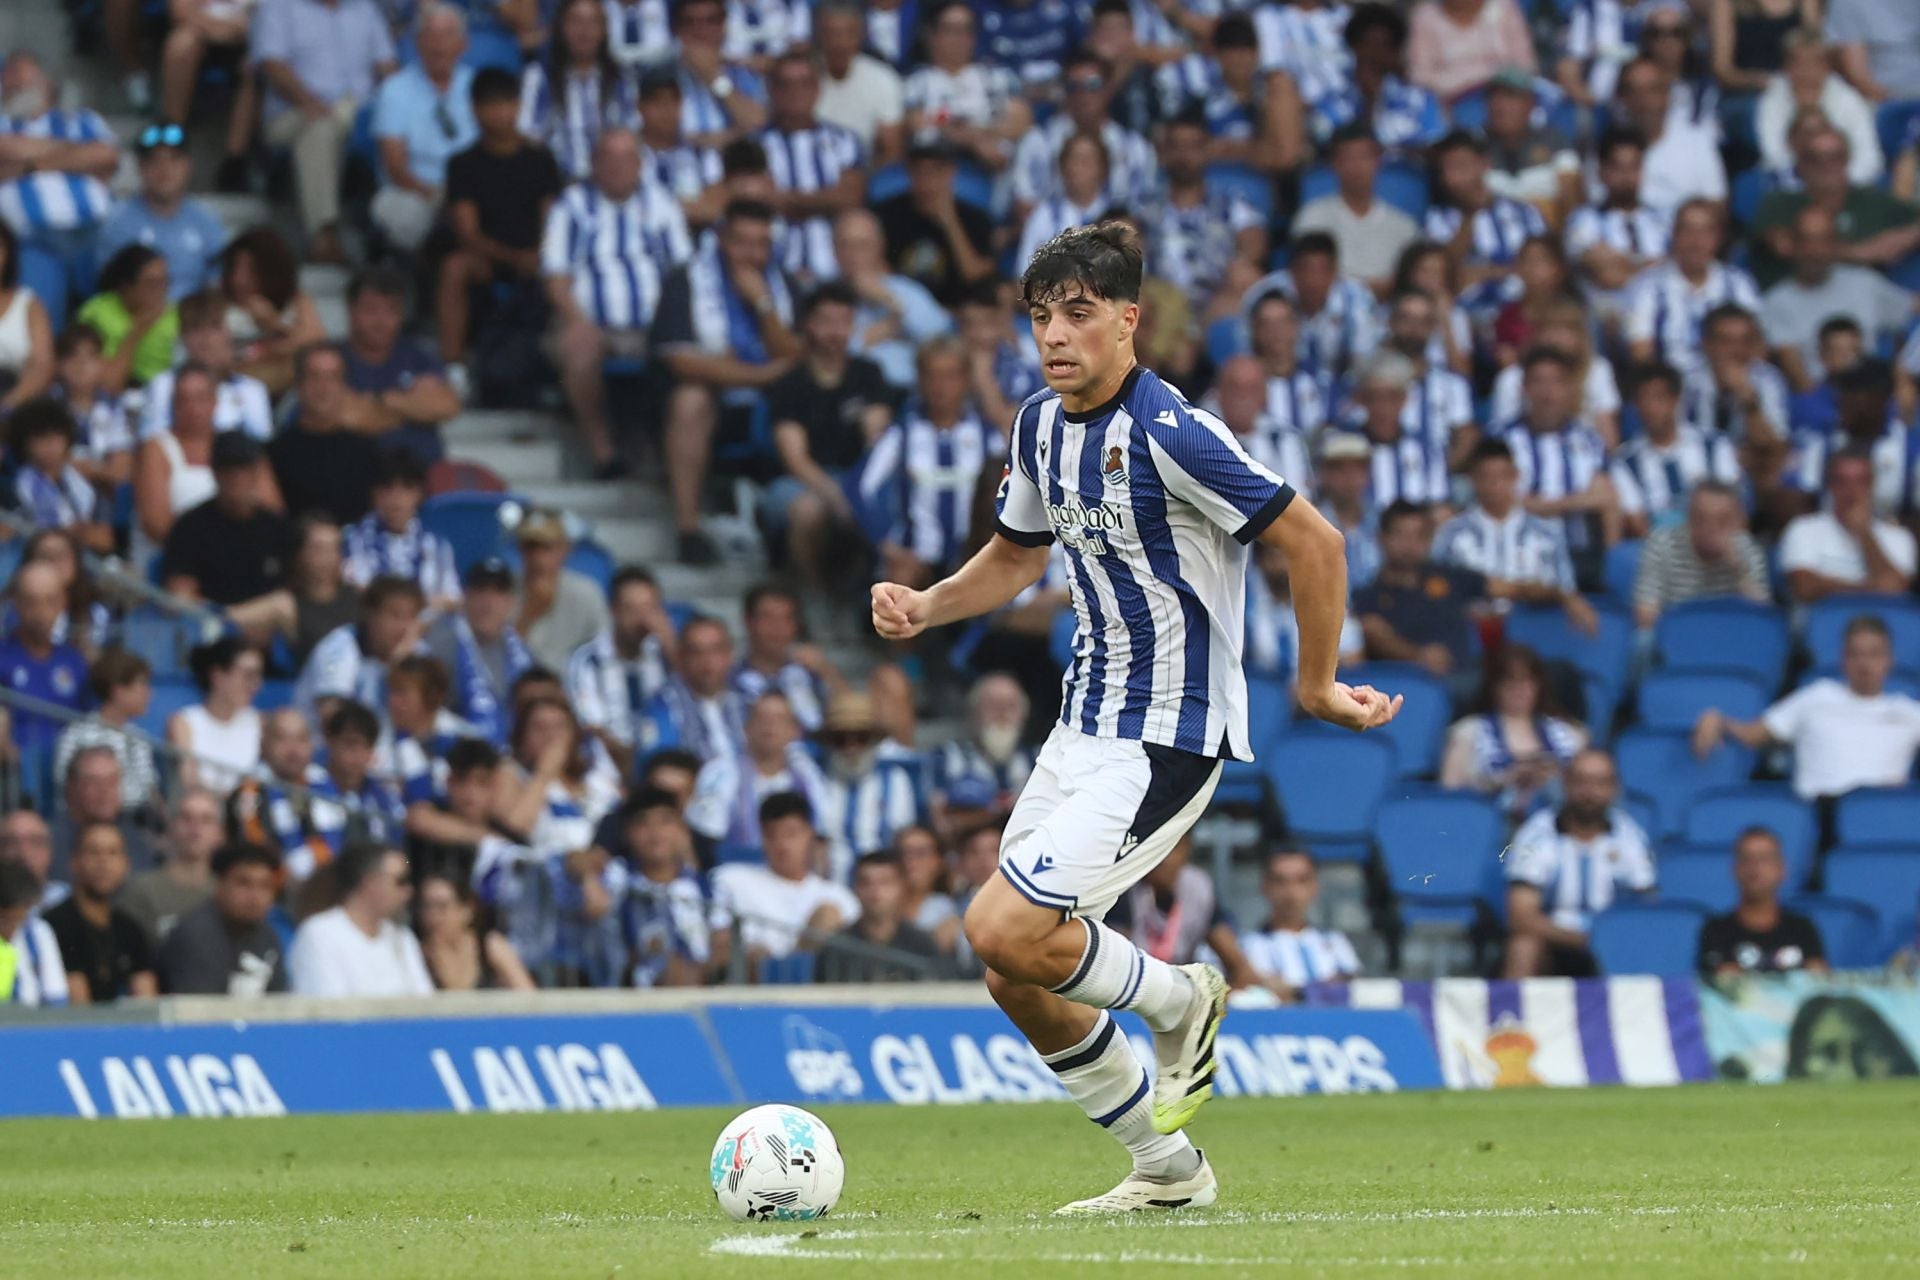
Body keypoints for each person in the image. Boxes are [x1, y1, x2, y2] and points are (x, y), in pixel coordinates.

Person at [871, 220, 1399, 1214]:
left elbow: (1317, 542)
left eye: (1077, 313)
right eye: (1041, 317)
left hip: (1170, 731)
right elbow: (1018, 552)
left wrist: (1318, 685)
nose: (1054, 335)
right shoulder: (1037, 424)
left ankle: (1180, 996)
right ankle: (1168, 1172)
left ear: (1128, 320)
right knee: (1013, 970)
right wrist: (930, 603)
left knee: (1000, 922)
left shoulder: (1173, 431)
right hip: (1082, 727)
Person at [652, 198, 800, 563]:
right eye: (742, 242)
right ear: (721, 239)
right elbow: (681, 360)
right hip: (714, 398)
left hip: (777, 400)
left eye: (761, 243)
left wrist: (763, 304)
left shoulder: (783, 283)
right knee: (690, 401)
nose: (752, 254)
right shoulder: (686, 279)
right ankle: (688, 529)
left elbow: (797, 358)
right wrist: (760, 374)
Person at [541, 128, 691, 479]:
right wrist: (579, 322)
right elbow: (556, 278)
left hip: (653, 325)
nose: (616, 166)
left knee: (688, 351)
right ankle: (603, 453)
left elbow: (682, 273)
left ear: (639, 164)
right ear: (593, 163)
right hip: (591, 322)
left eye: (625, 158)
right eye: (607, 158)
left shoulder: (662, 204)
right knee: (577, 346)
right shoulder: (572, 205)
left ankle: (666, 455)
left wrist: (672, 323)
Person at [1695, 615, 1920, 802]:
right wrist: (1718, 719)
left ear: (1889, 660)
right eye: (1856, 654)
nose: (1864, 664)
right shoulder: (1815, 696)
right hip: (1817, 814)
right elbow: (1753, 734)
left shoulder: (1909, 712)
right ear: (1843, 659)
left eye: (1874, 654)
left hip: (1880, 813)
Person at [438, 66, 564, 387]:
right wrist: (514, 258)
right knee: (455, 267)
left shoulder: (541, 159)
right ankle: (453, 367)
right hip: (489, 259)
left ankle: (560, 369)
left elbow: (553, 221)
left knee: (567, 271)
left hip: (537, 257)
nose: (501, 113)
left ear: (519, 106)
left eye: (507, 103)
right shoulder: (462, 164)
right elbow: (467, 232)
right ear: (475, 110)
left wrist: (539, 256)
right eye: (491, 105)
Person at [763, 281, 894, 587]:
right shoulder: (790, 384)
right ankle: (814, 595)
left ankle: (871, 592)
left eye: (843, 322)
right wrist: (837, 497)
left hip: (857, 475)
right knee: (809, 511)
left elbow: (878, 439)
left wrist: (860, 490)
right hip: (800, 482)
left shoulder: (868, 374)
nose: (835, 332)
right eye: (826, 322)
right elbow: (796, 460)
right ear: (808, 324)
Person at [251, 0, 397, 263]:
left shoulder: (364, 8)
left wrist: (398, 102)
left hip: (358, 111)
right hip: (293, 112)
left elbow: (387, 65)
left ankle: (386, 234)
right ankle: (324, 234)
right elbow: (272, 65)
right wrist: (308, 102)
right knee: (319, 129)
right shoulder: (278, 6)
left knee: (388, 125)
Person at [1503, 748, 1655, 978]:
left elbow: (1646, 904)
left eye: (1600, 783)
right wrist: (1583, 940)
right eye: (1581, 781)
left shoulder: (1630, 836)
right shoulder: (1535, 835)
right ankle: (1513, 1003)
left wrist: (1610, 940)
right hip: (1554, 942)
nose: (1590, 792)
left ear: (1614, 788)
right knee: (1523, 947)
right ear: (1565, 783)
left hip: (1615, 944)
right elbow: (1521, 916)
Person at [1433, 440, 1592, 632]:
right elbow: (1435, 585)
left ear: (1515, 476)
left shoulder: (1547, 533)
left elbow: (1567, 589)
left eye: (1502, 476)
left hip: (1535, 629)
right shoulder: (1451, 533)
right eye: (1485, 477)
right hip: (1471, 629)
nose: (1494, 485)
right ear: (1473, 480)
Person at [1761, 207, 1917, 393]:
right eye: (1807, 241)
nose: (1815, 251)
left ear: (1836, 244)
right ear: (1793, 244)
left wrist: (1902, 380)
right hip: (1820, 399)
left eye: (1824, 241)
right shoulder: (1776, 302)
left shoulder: (1865, 283)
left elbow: (1911, 310)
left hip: (1875, 395)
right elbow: (1799, 379)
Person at [1751, 126, 1920, 289]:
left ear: (1847, 159)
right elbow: (1786, 247)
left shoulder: (1872, 201)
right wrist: (1862, 253)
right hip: (1795, 299)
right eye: (1815, 158)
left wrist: (1898, 241)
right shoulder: (1780, 203)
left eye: (1836, 156)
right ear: (1800, 163)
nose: (1827, 165)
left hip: (1865, 300)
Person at [369, 5, 478, 253]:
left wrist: (464, 199)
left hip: (472, 192)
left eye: (447, 35)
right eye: (430, 35)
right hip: (416, 191)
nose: (438, 44)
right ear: (417, 43)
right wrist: (437, 197)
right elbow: (395, 167)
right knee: (400, 213)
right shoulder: (395, 89)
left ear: (464, 44)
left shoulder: (476, 86)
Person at [707, 792, 857, 971]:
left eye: (790, 834)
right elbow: (717, 944)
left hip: (818, 982)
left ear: (810, 835)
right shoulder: (732, 879)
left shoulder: (839, 896)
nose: (782, 845)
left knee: (827, 915)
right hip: (753, 978)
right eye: (772, 835)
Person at [1353, 501, 1483, 703]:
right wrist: (1419, 656)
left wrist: (1537, 589)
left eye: (1419, 536)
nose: (1410, 544)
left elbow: (1502, 587)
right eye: (1401, 535)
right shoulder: (1367, 596)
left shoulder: (1451, 577)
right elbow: (1373, 633)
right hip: (1404, 688)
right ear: (1381, 538)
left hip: (1466, 682)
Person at [1441, 644, 1587, 819]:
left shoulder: (1572, 735)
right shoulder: (1466, 733)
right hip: (1491, 822)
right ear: (1494, 686)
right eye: (1509, 681)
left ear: (1539, 685)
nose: (1518, 689)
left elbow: (1589, 785)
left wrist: (1552, 776)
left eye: (1526, 681)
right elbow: (1449, 796)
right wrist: (1503, 779)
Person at [160, 431, 293, 609]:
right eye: (228, 469)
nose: (236, 477)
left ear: (255, 473)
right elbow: (181, 593)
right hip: (211, 619)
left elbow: (294, 586)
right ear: (215, 473)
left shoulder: (277, 527)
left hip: (268, 619)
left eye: (243, 469)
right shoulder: (190, 527)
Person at [96, 122, 227, 301]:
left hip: (193, 315)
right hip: (138, 315)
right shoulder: (116, 223)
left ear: (188, 165)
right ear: (140, 167)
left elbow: (218, 283)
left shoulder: (206, 222)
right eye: (154, 160)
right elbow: (109, 291)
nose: (165, 168)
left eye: (174, 158)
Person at [1625, 198, 1759, 369]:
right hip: (1672, 380)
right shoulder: (1647, 286)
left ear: (1718, 238)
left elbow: (1756, 345)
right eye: (1688, 231)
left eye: (1706, 232)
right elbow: (1641, 354)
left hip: (1730, 376)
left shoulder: (1739, 284)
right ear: (1674, 235)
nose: (1696, 242)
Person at [1612, 363, 1741, 539]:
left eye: (1658, 398)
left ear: (1675, 400)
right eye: (1643, 399)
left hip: (1717, 542)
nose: (1650, 408)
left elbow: (1733, 507)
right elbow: (1637, 523)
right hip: (1660, 548)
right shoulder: (1625, 461)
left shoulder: (1714, 445)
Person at [566, 566, 675, 776]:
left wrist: (670, 642)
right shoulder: (588, 661)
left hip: (659, 765)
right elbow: (592, 728)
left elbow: (690, 701)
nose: (642, 619)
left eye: (649, 609)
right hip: (604, 769)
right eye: (631, 609)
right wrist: (634, 764)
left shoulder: (663, 656)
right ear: (614, 610)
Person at [288, 843, 434, 997]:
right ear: (370, 882)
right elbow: (327, 1005)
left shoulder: (403, 937)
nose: (409, 891)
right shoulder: (319, 934)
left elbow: (425, 1000)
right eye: (401, 881)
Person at [1777, 449, 1917, 603]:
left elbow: (1897, 591)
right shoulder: (1803, 529)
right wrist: (1873, 588)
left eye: (1860, 481)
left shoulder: (1899, 537)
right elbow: (1806, 587)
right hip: (1825, 617)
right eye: (1842, 481)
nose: (1851, 490)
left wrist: (1864, 534)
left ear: (1872, 485)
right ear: (1830, 486)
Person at [1292, 125, 1420, 293]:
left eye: (1364, 157)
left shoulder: (1404, 226)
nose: (1357, 166)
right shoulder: (1311, 218)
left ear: (1378, 161)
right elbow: (1310, 275)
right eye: (1348, 158)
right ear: (1335, 164)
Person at [140, 289, 275, 444]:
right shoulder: (163, 385)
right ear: (183, 338)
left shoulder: (252, 390)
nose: (205, 339)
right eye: (195, 328)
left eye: (214, 327)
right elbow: (153, 441)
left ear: (228, 334)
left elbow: (261, 445)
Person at [874, 139, 997, 308]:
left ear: (951, 172)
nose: (927, 180)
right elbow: (875, 271)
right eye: (919, 171)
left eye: (936, 170)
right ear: (909, 173)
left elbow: (978, 279)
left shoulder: (975, 219)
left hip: (959, 312)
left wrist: (950, 223)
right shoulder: (886, 215)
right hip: (901, 306)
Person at [42, 821, 157, 1003]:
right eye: (93, 852)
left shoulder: (131, 928)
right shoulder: (52, 926)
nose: (103, 862)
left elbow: (146, 1001)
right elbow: (78, 1008)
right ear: (74, 862)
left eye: (112, 853)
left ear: (126, 864)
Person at [1631, 480, 1771, 629]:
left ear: (1738, 522)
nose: (1710, 528)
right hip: (1676, 632)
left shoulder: (1746, 549)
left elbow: (1761, 616)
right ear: (1688, 518)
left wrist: (1739, 570)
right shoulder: (1662, 545)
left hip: (1729, 631)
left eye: (1722, 521)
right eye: (1700, 519)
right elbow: (1644, 614)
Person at [269, 344, 383, 524]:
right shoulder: (274, 454)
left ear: (344, 386)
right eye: (314, 377)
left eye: (332, 377)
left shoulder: (369, 452)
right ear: (298, 385)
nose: (323, 387)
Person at [155, 842, 287, 996]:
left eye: (265, 885)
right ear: (219, 883)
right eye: (244, 883)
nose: (255, 896)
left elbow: (278, 1001)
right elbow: (200, 1007)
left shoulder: (268, 936)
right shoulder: (196, 934)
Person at [1697, 826, 1829, 980]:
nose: (1755, 868)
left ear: (1781, 869)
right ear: (1735, 869)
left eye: (1764, 858)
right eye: (1747, 858)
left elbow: (1818, 981)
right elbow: (1717, 987)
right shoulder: (1716, 931)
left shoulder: (1803, 929)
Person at [425, 558, 533, 745]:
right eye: (480, 590)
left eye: (499, 592)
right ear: (465, 597)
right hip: (456, 750)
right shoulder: (441, 644)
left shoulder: (522, 653)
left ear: (510, 602)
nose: (488, 602)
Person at [1756, 28, 1882, 185]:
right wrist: (1806, 183)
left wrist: (1836, 184)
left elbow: (1868, 156)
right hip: (1789, 184)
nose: (1806, 71)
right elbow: (1774, 152)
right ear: (1786, 66)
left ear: (1827, 66)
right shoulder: (1773, 97)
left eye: (1814, 63)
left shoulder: (1848, 100)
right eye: (1798, 63)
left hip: (1845, 184)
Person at [342, 447, 462, 611]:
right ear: (374, 493)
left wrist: (415, 613)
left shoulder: (437, 544)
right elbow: (353, 592)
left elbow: (454, 599)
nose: (396, 497)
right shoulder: (351, 541)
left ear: (420, 494)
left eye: (407, 487)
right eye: (388, 487)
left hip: (427, 625)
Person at [615, 787, 713, 987]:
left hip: (706, 984)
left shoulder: (706, 886)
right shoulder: (618, 883)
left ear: (682, 830)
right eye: (643, 823)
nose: (655, 833)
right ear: (628, 833)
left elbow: (722, 940)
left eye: (665, 821)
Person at [297, 575, 427, 726]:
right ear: (369, 614)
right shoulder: (338, 649)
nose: (404, 628)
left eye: (411, 617)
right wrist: (393, 672)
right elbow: (332, 719)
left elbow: (426, 718)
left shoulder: (419, 651)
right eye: (395, 616)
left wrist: (403, 670)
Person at [216, 227, 328, 396]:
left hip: (289, 388)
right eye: (235, 269)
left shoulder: (298, 301)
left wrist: (273, 324)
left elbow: (316, 343)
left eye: (251, 271)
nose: (239, 280)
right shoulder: (218, 304)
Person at [1239, 848, 1361, 1000]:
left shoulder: (1336, 942)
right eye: (1280, 881)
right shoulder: (1247, 947)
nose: (1291, 892)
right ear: (1264, 886)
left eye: (1301, 881)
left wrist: (1294, 992)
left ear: (1315, 886)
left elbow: (1352, 989)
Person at [0, 561, 91, 763]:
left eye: (50, 601)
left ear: (63, 603)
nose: (40, 612)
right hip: (12, 772)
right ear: (16, 602)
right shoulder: (3, 656)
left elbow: (89, 719)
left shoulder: (74, 661)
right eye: (31, 602)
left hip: (68, 770)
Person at [53, 649, 160, 819]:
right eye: (141, 685)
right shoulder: (77, 734)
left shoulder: (139, 737)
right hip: (88, 820)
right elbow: (64, 783)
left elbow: (149, 789)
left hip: (136, 822)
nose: (149, 693)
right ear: (117, 690)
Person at [1613, 56, 1727, 212]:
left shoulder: (1697, 144)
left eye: (1652, 91)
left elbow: (1716, 207)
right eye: (1633, 91)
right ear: (1622, 98)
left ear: (1667, 95)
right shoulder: (1608, 148)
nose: (1643, 101)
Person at [814, 850, 946, 983]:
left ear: (901, 888)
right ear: (855, 889)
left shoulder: (921, 945)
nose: (875, 891)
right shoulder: (838, 946)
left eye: (884, 882)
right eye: (866, 883)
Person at [119, 787, 222, 948]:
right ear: (171, 826)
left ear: (220, 833)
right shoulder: (141, 891)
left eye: (206, 820)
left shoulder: (227, 894)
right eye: (186, 818)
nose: (195, 827)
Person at [510, 510, 610, 673]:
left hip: (573, 683)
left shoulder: (587, 594)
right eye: (531, 547)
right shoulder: (503, 590)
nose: (538, 557)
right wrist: (528, 616)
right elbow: (500, 657)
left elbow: (604, 651)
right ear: (520, 548)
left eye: (546, 547)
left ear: (565, 549)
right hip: (518, 682)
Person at [8, 396, 111, 553]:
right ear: (25, 445)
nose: (50, 443)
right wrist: (80, 532)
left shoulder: (80, 479)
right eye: (40, 437)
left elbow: (104, 537)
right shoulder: (22, 485)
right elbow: (50, 528)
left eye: (56, 435)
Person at [167, 637, 265, 797]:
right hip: (201, 808)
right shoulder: (184, 723)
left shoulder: (258, 721)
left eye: (258, 675)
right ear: (217, 676)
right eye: (248, 675)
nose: (256, 685)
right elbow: (189, 781)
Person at [812, 0, 904, 166]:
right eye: (831, 33)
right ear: (818, 36)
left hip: (865, 173)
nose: (839, 43)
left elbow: (890, 150)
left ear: (862, 35)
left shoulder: (883, 79)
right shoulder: (801, 78)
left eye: (848, 33)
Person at [76, 244, 176, 392]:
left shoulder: (175, 314)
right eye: (152, 284)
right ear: (125, 286)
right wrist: (136, 331)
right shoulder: (96, 313)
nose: (161, 291)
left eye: (165, 282)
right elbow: (107, 385)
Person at [415, 870, 536, 990]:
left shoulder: (489, 946)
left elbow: (527, 992)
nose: (433, 916)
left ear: (467, 910)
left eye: (442, 907)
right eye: (426, 907)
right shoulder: (418, 954)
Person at [1407, 0, 1534, 102]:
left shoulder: (1504, 8)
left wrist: (1491, 84)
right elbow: (1419, 76)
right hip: (1449, 102)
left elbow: (1525, 65)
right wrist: (1464, 87)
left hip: (1502, 95)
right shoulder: (1426, 16)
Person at [0, 858, 69, 1006]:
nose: (9, 931)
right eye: (3, 919)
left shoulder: (39, 932)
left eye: (16, 921)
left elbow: (56, 999)